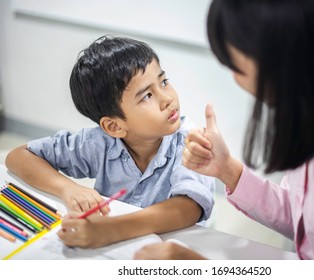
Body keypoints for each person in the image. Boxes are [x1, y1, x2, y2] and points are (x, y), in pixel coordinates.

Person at [133, 0, 314, 260]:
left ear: (282, 59)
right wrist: (226, 169)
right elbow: (302, 219)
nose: (235, 78)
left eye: (236, 66)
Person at [5, 36, 215, 248]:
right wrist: (67, 188)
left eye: (163, 82)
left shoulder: (190, 142)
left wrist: (111, 230)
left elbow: (187, 208)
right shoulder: (99, 143)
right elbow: (19, 156)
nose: (167, 98)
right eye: (147, 96)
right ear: (114, 127)